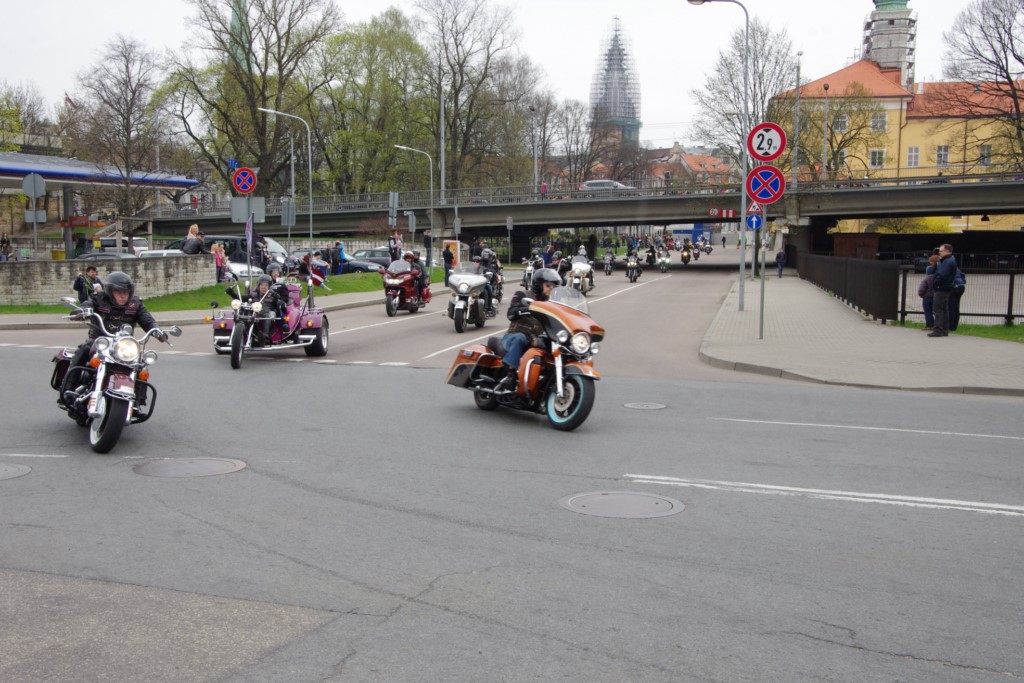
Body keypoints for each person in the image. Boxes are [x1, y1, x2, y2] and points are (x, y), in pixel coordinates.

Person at [63, 272, 165, 404]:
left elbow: (147, 320)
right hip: (100, 341)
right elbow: (87, 304)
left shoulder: (136, 304)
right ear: (110, 291)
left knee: (140, 362)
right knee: (83, 349)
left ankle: (137, 402)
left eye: (126, 292)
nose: (123, 295)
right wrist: (81, 311)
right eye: (118, 292)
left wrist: (157, 331)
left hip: (123, 345)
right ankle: (68, 390)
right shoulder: (98, 298)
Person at [494, 268, 562, 393]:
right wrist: (526, 309)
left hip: (535, 340)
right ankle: (510, 375)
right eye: (548, 286)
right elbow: (511, 313)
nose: (551, 289)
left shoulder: (553, 304)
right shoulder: (523, 295)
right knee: (520, 338)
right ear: (539, 285)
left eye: (554, 287)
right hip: (514, 336)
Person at [929, 243, 957, 337]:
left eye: (941, 251)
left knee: (938, 309)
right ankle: (945, 330)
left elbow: (942, 275)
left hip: (941, 287)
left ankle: (937, 330)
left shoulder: (947, 261)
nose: (939, 253)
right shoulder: (951, 260)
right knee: (944, 309)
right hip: (946, 287)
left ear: (947, 251)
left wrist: (935, 282)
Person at [919, 255, 939, 330]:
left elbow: (922, 289)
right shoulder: (937, 278)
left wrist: (921, 294)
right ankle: (937, 325)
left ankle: (930, 325)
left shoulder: (926, 279)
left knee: (928, 312)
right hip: (936, 296)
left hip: (927, 297)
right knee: (936, 311)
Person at [949, 267, 967, 332]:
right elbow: (962, 275)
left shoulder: (945, 265)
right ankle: (954, 326)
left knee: (951, 307)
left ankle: (950, 326)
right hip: (961, 286)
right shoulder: (956, 267)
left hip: (954, 287)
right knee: (956, 307)